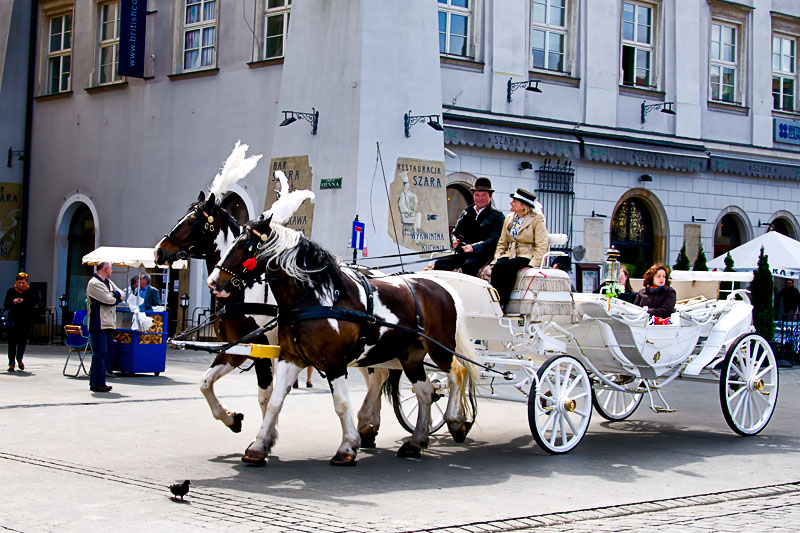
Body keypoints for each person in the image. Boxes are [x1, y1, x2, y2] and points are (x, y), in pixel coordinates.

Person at [489, 188, 549, 310]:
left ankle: (503, 303)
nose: (511, 203)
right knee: (497, 268)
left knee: (508, 268)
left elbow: (542, 244)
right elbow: (502, 242)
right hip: (511, 254)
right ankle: (494, 301)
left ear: (523, 206)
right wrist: (495, 260)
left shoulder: (537, 219)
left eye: (514, 201)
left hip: (526, 255)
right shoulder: (509, 218)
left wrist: (533, 264)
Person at [433, 177, 505, 276]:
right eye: (477, 195)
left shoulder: (497, 216)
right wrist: (454, 240)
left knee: (468, 266)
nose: (480, 199)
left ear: (490, 197)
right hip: (464, 253)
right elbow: (456, 231)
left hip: (484, 255)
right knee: (440, 263)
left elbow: (494, 239)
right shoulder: (467, 212)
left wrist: (474, 248)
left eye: (484, 195)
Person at [86, 261, 123, 393]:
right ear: (106, 268)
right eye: (111, 268)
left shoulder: (108, 282)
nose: (112, 271)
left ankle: (99, 381)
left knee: (105, 352)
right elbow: (109, 300)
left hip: (108, 323)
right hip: (98, 323)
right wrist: (115, 296)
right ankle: (97, 382)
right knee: (99, 353)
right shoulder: (94, 283)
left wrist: (115, 295)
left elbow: (121, 294)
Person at [4, 273, 34, 372]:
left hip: (24, 320)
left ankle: (20, 358)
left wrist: (24, 300)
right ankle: (11, 363)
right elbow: (6, 305)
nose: (21, 285)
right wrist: (14, 301)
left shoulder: (29, 291)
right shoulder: (11, 291)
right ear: (16, 282)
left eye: (23, 283)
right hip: (13, 319)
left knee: (22, 341)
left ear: (26, 283)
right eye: (19, 282)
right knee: (12, 342)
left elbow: (33, 304)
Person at [397, 171, 422, 237]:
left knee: (419, 214)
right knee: (416, 217)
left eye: (408, 184)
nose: (408, 185)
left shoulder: (411, 194)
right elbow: (401, 205)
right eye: (407, 184)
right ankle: (417, 234)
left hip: (410, 214)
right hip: (406, 215)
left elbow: (414, 201)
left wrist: (414, 204)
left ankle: (417, 231)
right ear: (404, 185)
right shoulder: (402, 194)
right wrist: (408, 211)